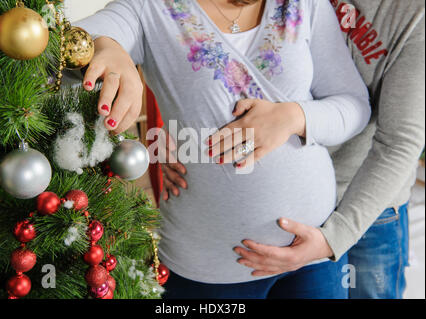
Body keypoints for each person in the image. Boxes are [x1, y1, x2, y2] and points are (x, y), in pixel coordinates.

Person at [75, 0, 371, 298]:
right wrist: (107, 47)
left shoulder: (305, 4)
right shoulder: (151, 7)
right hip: (205, 267)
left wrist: (294, 117)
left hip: (313, 253)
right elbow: (67, 44)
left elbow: (354, 105)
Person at [163, 0, 423, 299]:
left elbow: (400, 142)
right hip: (283, 203)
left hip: (365, 208)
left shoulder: (414, 14)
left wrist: (334, 238)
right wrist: (172, 140)